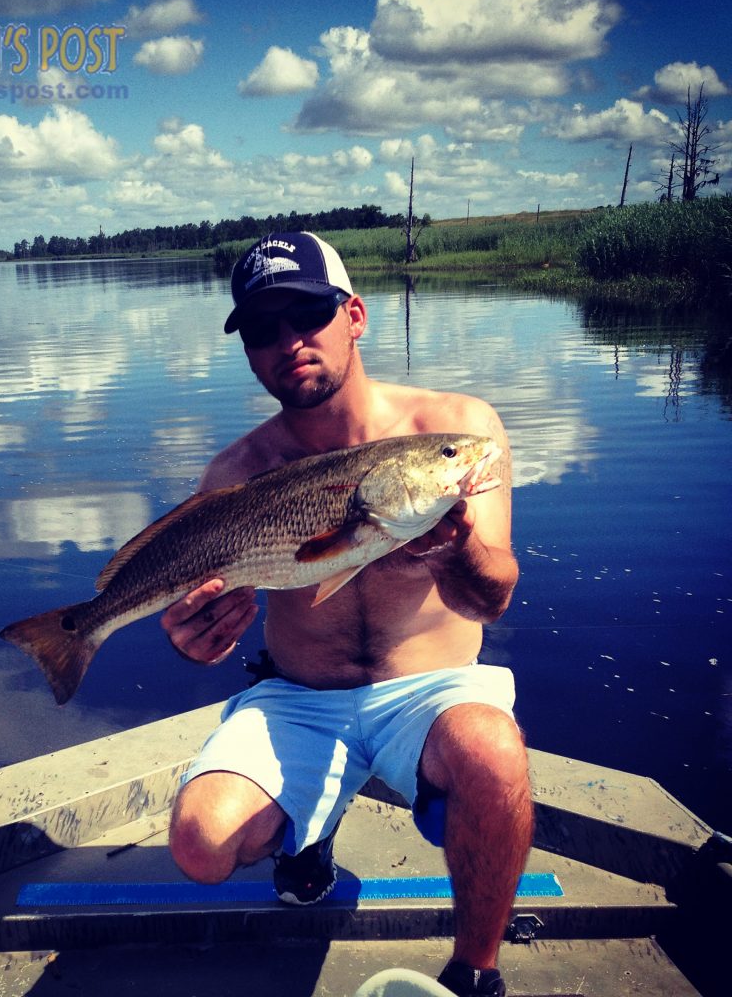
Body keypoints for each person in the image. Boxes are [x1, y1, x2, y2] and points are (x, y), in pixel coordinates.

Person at [160, 232, 533, 997]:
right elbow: (202, 608)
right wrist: (194, 638)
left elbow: (491, 596)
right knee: (200, 843)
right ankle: (307, 837)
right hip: (300, 696)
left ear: (354, 314)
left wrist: (453, 547)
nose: (288, 341)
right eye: (262, 330)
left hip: (431, 695)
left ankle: (476, 972)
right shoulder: (233, 475)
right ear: (249, 352)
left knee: (494, 753)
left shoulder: (455, 433)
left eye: (307, 314)